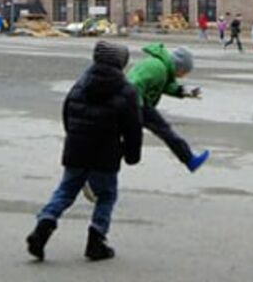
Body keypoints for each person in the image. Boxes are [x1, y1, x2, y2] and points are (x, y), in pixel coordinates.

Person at [26, 41, 142, 263]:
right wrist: (131, 154)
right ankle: (96, 240)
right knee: (106, 195)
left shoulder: (80, 84)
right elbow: (132, 127)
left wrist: (73, 136)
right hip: (105, 153)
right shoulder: (126, 90)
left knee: (66, 190)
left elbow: (67, 112)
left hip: (77, 148)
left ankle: (43, 226)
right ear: (121, 63)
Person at [127, 44, 209, 172]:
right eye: (184, 72)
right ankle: (189, 160)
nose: (182, 76)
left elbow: (165, 86)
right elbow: (135, 83)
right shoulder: (157, 68)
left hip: (135, 103)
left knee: (164, 131)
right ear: (180, 67)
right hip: (134, 104)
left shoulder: (162, 68)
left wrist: (183, 91)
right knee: (164, 131)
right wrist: (136, 108)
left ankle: (189, 160)